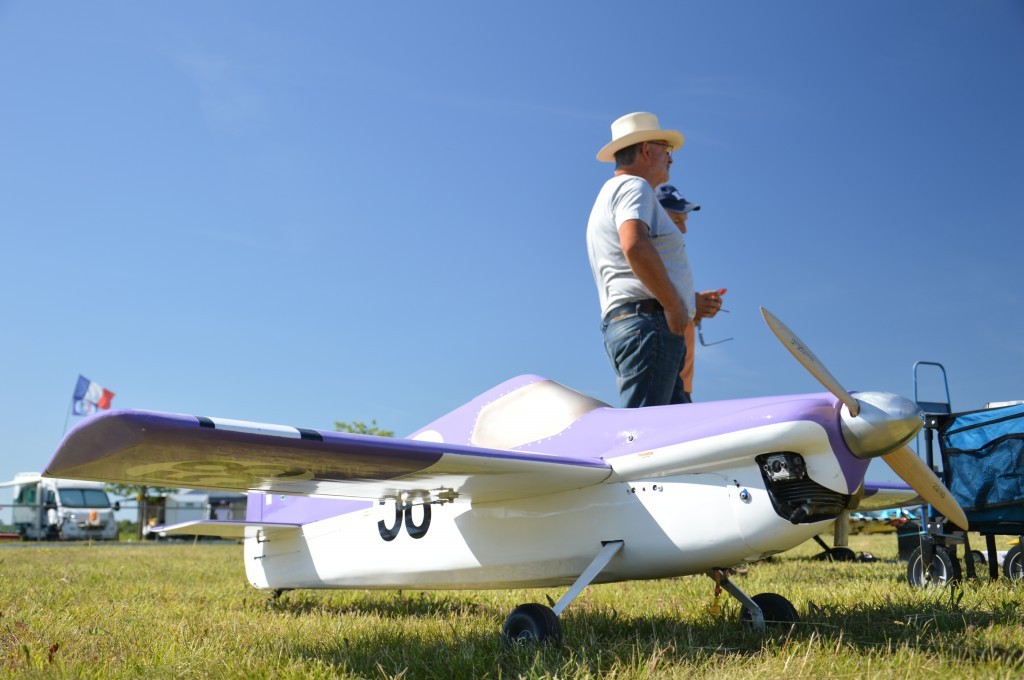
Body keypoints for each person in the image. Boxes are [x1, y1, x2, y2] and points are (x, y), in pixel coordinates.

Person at [586, 112, 722, 407]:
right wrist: (674, 306)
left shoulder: (613, 192)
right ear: (647, 150)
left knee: (671, 439)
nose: (670, 159)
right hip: (650, 327)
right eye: (666, 150)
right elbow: (634, 244)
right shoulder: (634, 187)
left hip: (638, 325)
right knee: (646, 441)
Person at [656, 184, 725, 403]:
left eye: (684, 221)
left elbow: (667, 309)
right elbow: (647, 308)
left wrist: (695, 310)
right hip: (663, 379)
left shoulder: (669, 260)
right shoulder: (648, 258)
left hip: (679, 383)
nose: (683, 230)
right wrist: (691, 303)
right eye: (676, 220)